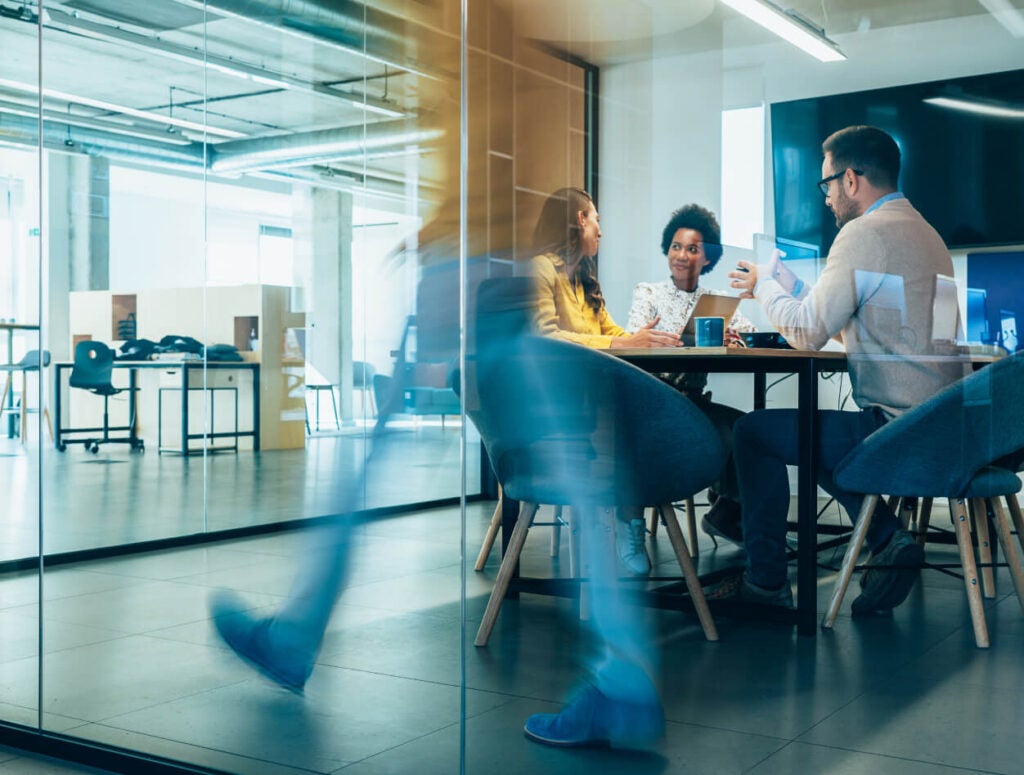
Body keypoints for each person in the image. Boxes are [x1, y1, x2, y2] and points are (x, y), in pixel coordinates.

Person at [723, 125, 967, 612]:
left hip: (895, 430)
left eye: (827, 185)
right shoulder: (927, 235)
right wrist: (795, 291)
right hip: (940, 427)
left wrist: (764, 285)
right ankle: (885, 538)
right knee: (815, 433)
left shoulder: (863, 234)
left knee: (754, 433)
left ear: (851, 179)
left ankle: (766, 585)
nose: (827, 199)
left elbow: (806, 334)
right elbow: (881, 328)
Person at [528, 187, 679, 575]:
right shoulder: (540, 269)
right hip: (561, 401)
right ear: (580, 219)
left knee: (644, 414)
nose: (601, 230)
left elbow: (609, 330)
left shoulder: (583, 277)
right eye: (596, 219)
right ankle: (626, 522)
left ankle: (624, 519)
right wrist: (620, 341)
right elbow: (544, 336)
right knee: (633, 419)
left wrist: (644, 337)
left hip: (595, 392)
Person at [626, 204, 755, 546]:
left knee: (746, 428)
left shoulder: (718, 301)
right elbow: (632, 340)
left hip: (694, 403)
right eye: (676, 246)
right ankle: (723, 510)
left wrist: (732, 338)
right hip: (653, 401)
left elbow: (748, 333)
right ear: (667, 250)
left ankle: (727, 511)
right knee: (724, 432)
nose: (682, 255)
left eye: (693, 249)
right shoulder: (648, 292)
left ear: (707, 259)